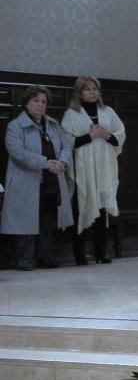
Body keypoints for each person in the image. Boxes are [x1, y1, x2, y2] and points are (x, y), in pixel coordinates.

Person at [2, 86, 73, 270]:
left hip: (51, 181)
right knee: (25, 220)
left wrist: (62, 163)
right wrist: (45, 163)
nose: (40, 105)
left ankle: (45, 257)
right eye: (35, 101)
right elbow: (17, 152)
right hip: (26, 181)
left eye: (43, 102)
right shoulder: (15, 126)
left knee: (47, 220)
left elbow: (66, 146)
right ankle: (24, 259)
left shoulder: (53, 124)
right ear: (26, 103)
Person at [61, 76, 125, 265]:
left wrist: (107, 136)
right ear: (79, 93)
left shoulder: (108, 112)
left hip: (104, 166)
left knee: (102, 208)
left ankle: (101, 252)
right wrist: (90, 136)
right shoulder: (72, 114)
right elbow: (66, 141)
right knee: (80, 207)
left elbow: (120, 134)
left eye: (95, 89)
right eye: (87, 89)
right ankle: (79, 254)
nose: (92, 92)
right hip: (83, 168)